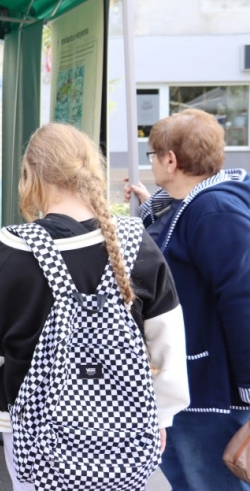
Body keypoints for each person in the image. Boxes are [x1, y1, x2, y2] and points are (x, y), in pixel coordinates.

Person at [0, 123, 189, 490]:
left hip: (38, 435)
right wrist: (162, 412)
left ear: (31, 175)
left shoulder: (15, 252)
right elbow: (167, 336)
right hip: (125, 430)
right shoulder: (134, 242)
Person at [125, 109, 250, 491]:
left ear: (170, 160)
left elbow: (242, 299)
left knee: (210, 483)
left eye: (153, 155)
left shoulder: (214, 211)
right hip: (190, 385)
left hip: (210, 391)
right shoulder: (196, 204)